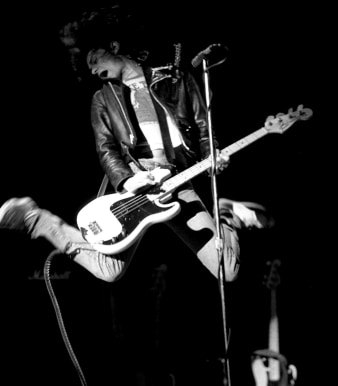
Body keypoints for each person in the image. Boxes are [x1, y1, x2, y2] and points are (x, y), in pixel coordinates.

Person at [0, 34, 274, 286]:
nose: (94, 70)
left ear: (114, 46)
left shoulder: (175, 79)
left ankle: (225, 214)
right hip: (138, 181)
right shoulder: (103, 98)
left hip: (179, 178)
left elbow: (203, 127)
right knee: (108, 269)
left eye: (95, 60)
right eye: (90, 68)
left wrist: (210, 155)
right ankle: (35, 219)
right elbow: (105, 147)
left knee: (228, 269)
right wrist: (128, 180)